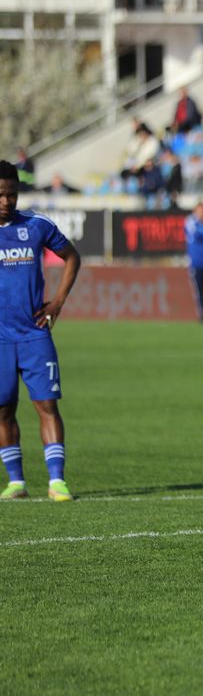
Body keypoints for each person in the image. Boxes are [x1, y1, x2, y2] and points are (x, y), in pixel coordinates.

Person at [0, 161, 82, 502]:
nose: (6, 201)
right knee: (3, 410)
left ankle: (57, 481)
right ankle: (16, 482)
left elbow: (71, 257)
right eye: (0, 195)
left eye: (12, 194)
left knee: (47, 405)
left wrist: (58, 301)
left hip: (35, 334)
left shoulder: (36, 225)